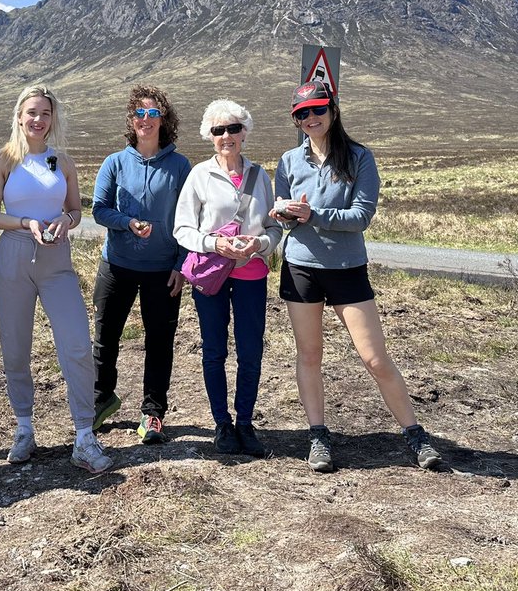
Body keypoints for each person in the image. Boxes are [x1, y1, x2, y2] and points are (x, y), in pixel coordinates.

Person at [272, 79, 443, 472]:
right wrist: (282, 215)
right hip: (300, 268)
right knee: (309, 355)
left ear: (332, 111)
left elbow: (361, 217)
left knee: (375, 357)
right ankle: (318, 437)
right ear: (295, 120)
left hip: (347, 270)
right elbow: (283, 217)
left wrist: (314, 216)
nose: (310, 118)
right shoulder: (287, 161)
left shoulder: (359, 158)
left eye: (317, 110)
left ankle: (415, 436)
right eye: (302, 113)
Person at [0, 84, 112, 473]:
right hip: (14, 256)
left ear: (53, 119)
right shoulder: (1, 159)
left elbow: (74, 210)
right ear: (19, 115)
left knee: (75, 343)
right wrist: (26, 221)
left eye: (45, 113)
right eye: (32, 112)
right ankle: (24, 428)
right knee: (16, 346)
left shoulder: (63, 161)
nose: (38, 120)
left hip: (57, 259)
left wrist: (64, 220)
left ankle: (85, 436)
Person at [174, 99, 281, 457]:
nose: (226, 136)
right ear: (209, 136)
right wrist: (214, 243)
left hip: (251, 274)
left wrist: (260, 243)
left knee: (251, 351)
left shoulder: (259, 175)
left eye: (233, 128)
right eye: (219, 130)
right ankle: (222, 424)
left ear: (245, 132)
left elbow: (274, 227)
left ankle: (246, 423)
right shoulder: (199, 175)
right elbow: (183, 229)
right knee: (214, 350)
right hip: (211, 276)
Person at [90, 86, 191, 444]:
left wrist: (182, 264)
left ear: (164, 120)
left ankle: (153, 413)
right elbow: (99, 209)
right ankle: (101, 400)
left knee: (160, 341)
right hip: (116, 264)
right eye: (139, 114)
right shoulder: (115, 162)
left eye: (152, 114)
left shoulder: (180, 167)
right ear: (131, 121)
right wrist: (127, 222)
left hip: (163, 269)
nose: (145, 121)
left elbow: (188, 219)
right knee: (105, 338)